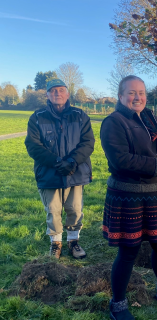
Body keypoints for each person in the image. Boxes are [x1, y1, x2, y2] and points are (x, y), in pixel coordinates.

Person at [101, 75, 157, 320]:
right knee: (129, 251)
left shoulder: (151, 118)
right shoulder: (113, 122)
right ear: (121, 96)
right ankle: (117, 305)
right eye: (131, 93)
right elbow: (120, 160)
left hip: (155, 195)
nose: (137, 97)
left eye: (141, 92)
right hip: (128, 196)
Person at [25, 79, 94, 260]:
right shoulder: (37, 117)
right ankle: (56, 243)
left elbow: (88, 143)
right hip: (49, 172)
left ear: (67, 94)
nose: (57, 93)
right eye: (53, 91)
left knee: (74, 208)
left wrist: (72, 161)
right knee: (53, 209)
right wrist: (57, 162)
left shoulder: (80, 115)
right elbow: (33, 146)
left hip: (75, 171)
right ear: (47, 95)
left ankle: (73, 241)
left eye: (61, 90)